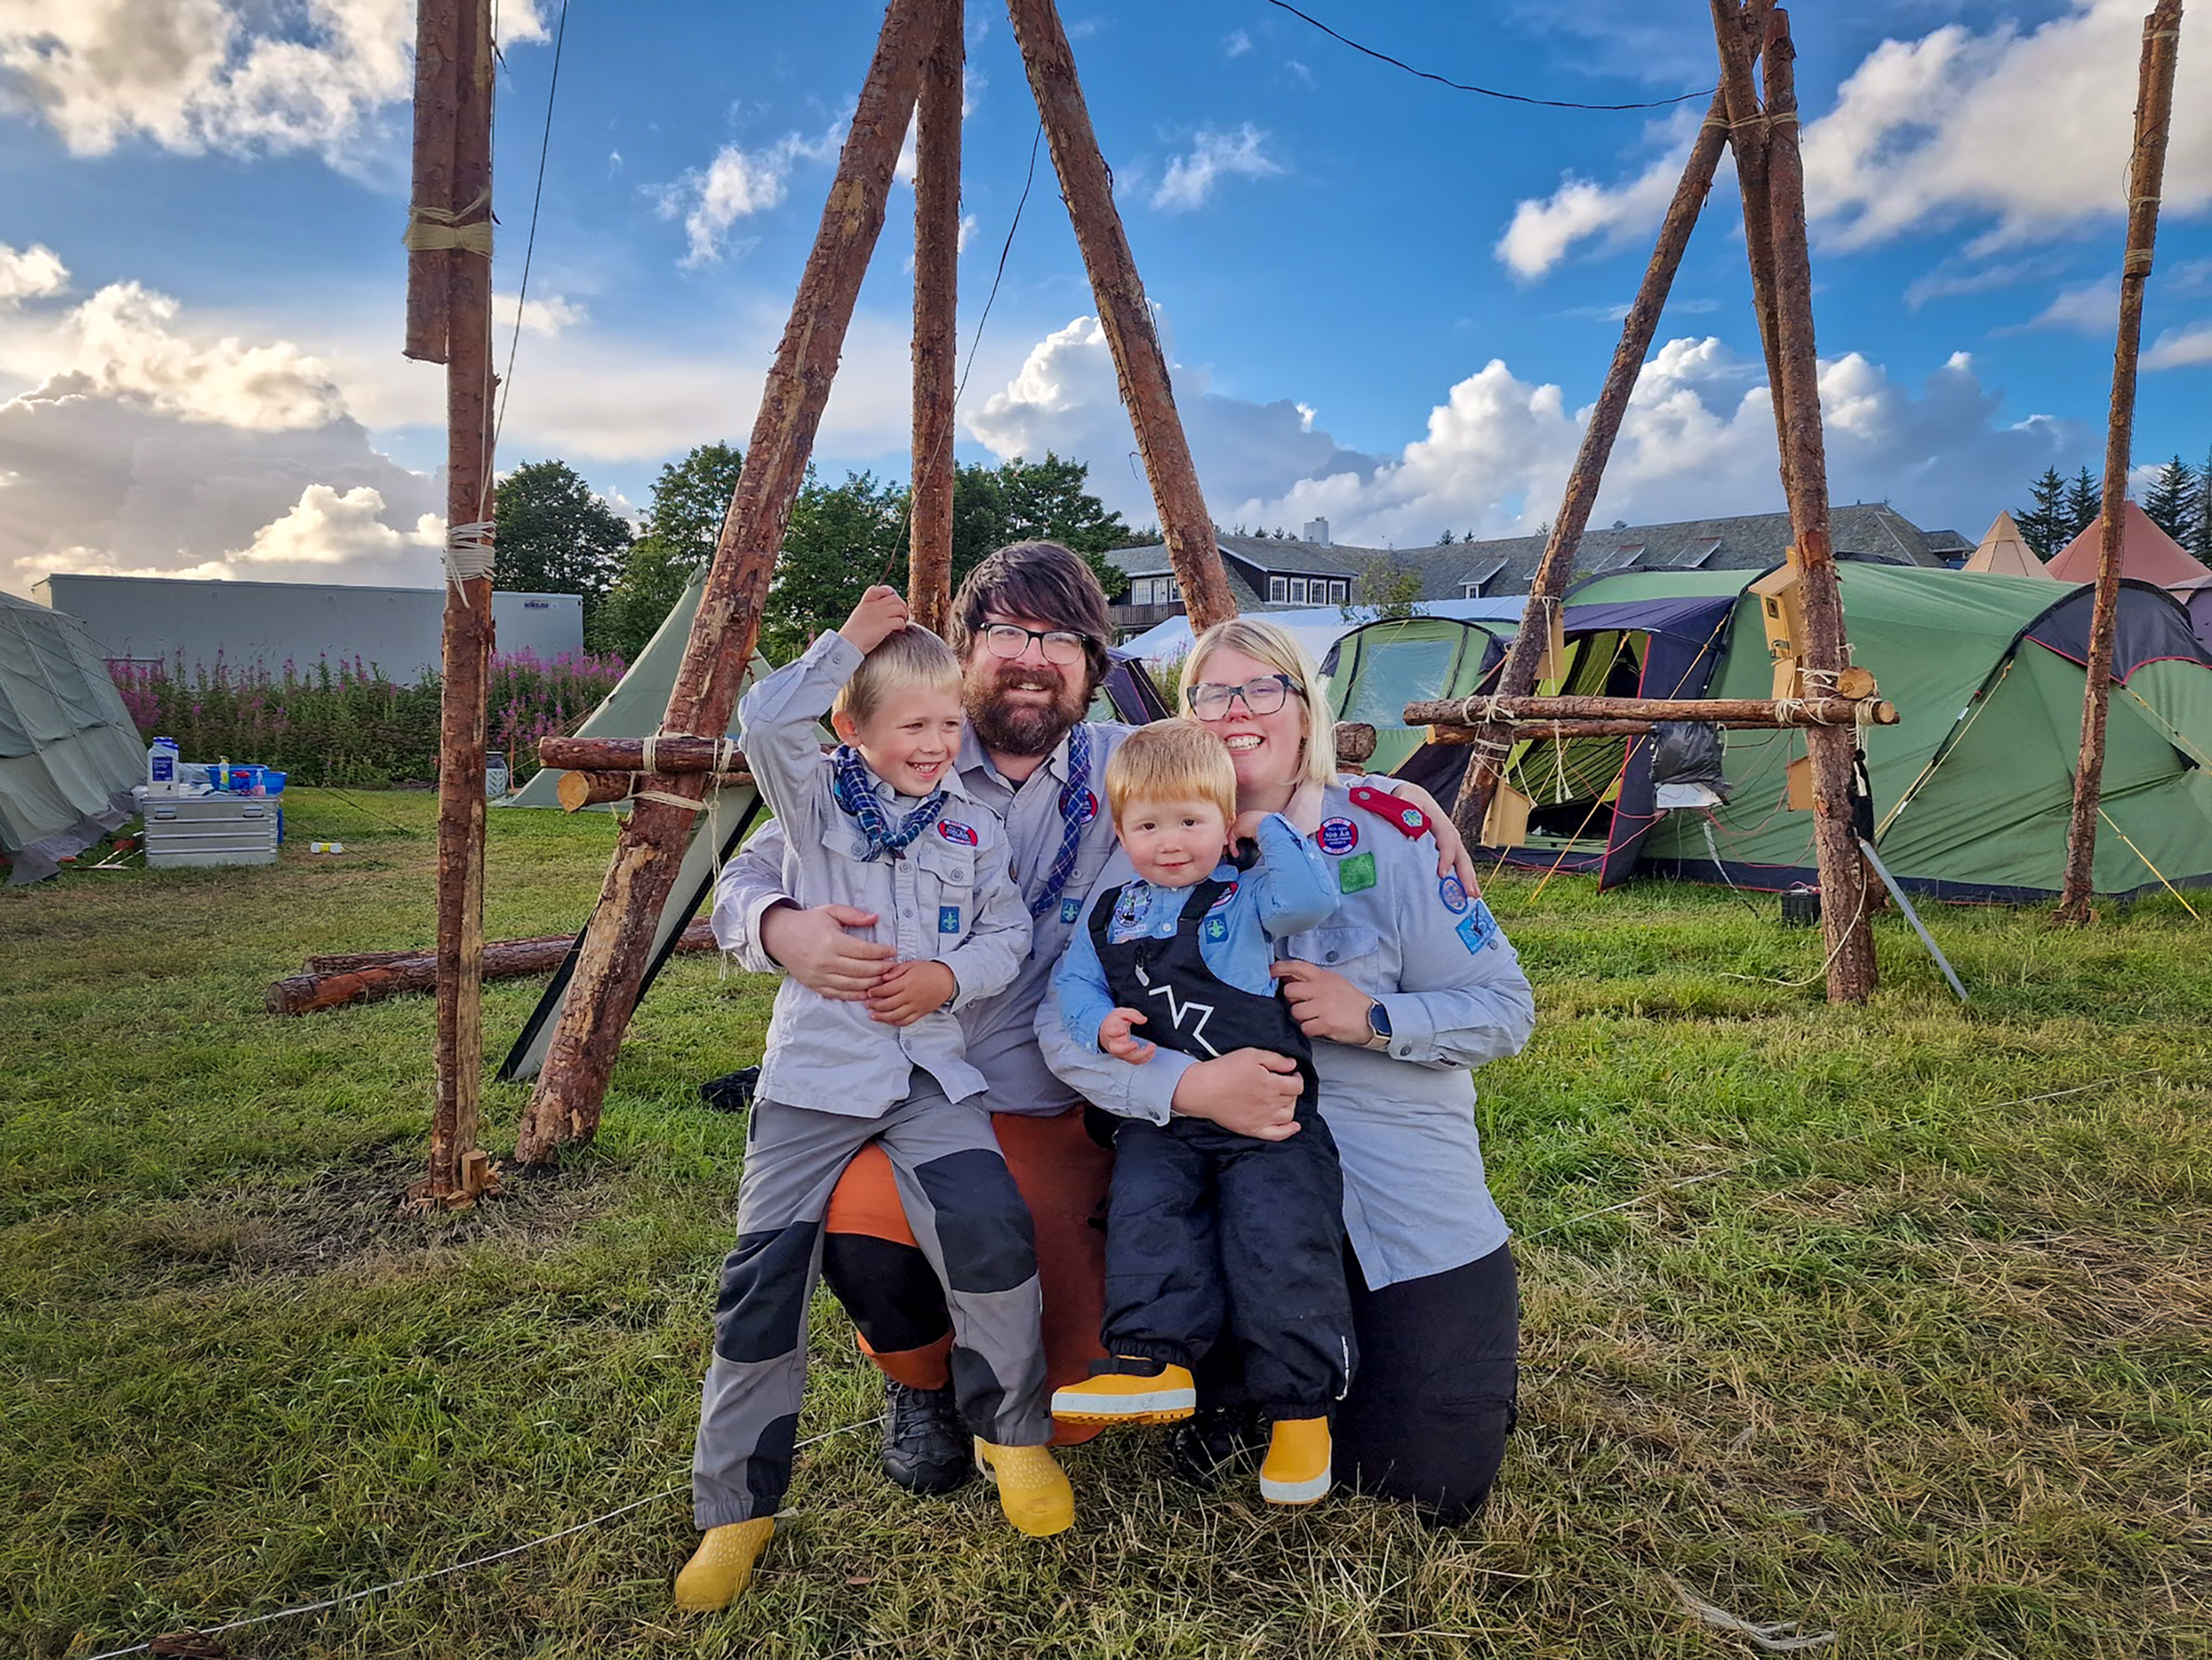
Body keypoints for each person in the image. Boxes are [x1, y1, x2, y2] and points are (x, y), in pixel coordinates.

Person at [713, 543, 1479, 1501]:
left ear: (1093, 659)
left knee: (1081, 1389)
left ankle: (1182, 1362)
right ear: (965, 649)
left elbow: (1248, 781)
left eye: (1061, 638)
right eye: (1006, 632)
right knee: (867, 1231)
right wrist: (780, 928)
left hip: (1075, 1096)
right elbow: (755, 865)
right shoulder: (906, 751)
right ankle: (918, 1382)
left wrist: (1406, 804)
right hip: (924, 1082)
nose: (1033, 656)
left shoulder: (1129, 763)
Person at [1037, 616, 1536, 1522]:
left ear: (1307, 710)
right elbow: (1062, 1023)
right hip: (1218, 1179)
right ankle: (1218, 1364)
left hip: (1391, 1193)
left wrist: (1374, 1017)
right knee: (1207, 1430)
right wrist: (1181, 1087)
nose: (1236, 712)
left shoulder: (1385, 831)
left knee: (1424, 1479)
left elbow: (1506, 1009)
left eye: (1261, 688)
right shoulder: (1146, 841)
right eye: (1211, 694)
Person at [677, 587, 1066, 1613]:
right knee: (759, 1286)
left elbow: (1008, 935)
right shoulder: (811, 801)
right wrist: (847, 640)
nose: (936, 744)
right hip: (813, 1083)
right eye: (912, 725)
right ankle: (735, 1513)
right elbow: (766, 720)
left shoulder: (975, 831)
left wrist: (950, 979)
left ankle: (1014, 1438)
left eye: (950, 723)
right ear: (852, 727)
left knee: (990, 1232)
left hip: (929, 1075)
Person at [1046, 719, 1347, 1506]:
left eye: (1192, 820)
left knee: (1279, 1247)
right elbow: (1074, 985)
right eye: (1148, 825)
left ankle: (1299, 1418)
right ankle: (1152, 1362)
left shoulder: (1245, 899)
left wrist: (1268, 827)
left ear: (1224, 821)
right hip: (1166, 1122)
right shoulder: (1110, 911)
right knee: (1146, 1217)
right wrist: (1098, 1024)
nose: (1171, 842)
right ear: (1122, 831)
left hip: (1271, 1126)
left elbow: (1313, 896)